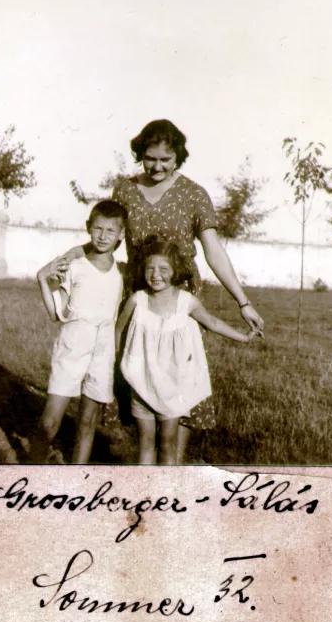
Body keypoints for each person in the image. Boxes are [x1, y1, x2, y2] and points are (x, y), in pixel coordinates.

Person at [53, 119, 265, 462]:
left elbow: (213, 250)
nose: (157, 166)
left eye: (165, 159)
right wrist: (74, 254)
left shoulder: (194, 194)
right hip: (138, 298)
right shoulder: (125, 190)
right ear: (140, 155)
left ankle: (172, 468)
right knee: (140, 378)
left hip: (181, 302)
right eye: (150, 158)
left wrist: (243, 302)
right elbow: (109, 234)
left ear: (178, 156)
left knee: (179, 378)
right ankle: (148, 467)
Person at [115, 239, 255, 464]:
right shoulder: (137, 301)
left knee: (167, 444)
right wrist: (119, 364)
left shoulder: (186, 302)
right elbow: (118, 330)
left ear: (176, 270)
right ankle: (143, 485)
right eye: (150, 268)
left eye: (164, 269)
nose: (155, 275)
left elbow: (212, 322)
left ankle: (167, 486)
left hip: (173, 385)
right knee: (145, 444)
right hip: (141, 383)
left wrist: (243, 337)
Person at [30, 200, 127, 464]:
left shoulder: (122, 272)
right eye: (98, 229)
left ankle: (77, 478)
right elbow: (55, 313)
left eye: (110, 230)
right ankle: (31, 472)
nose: (103, 236)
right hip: (72, 347)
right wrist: (42, 279)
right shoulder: (75, 266)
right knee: (50, 423)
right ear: (88, 228)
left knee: (87, 423)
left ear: (121, 234)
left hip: (102, 352)